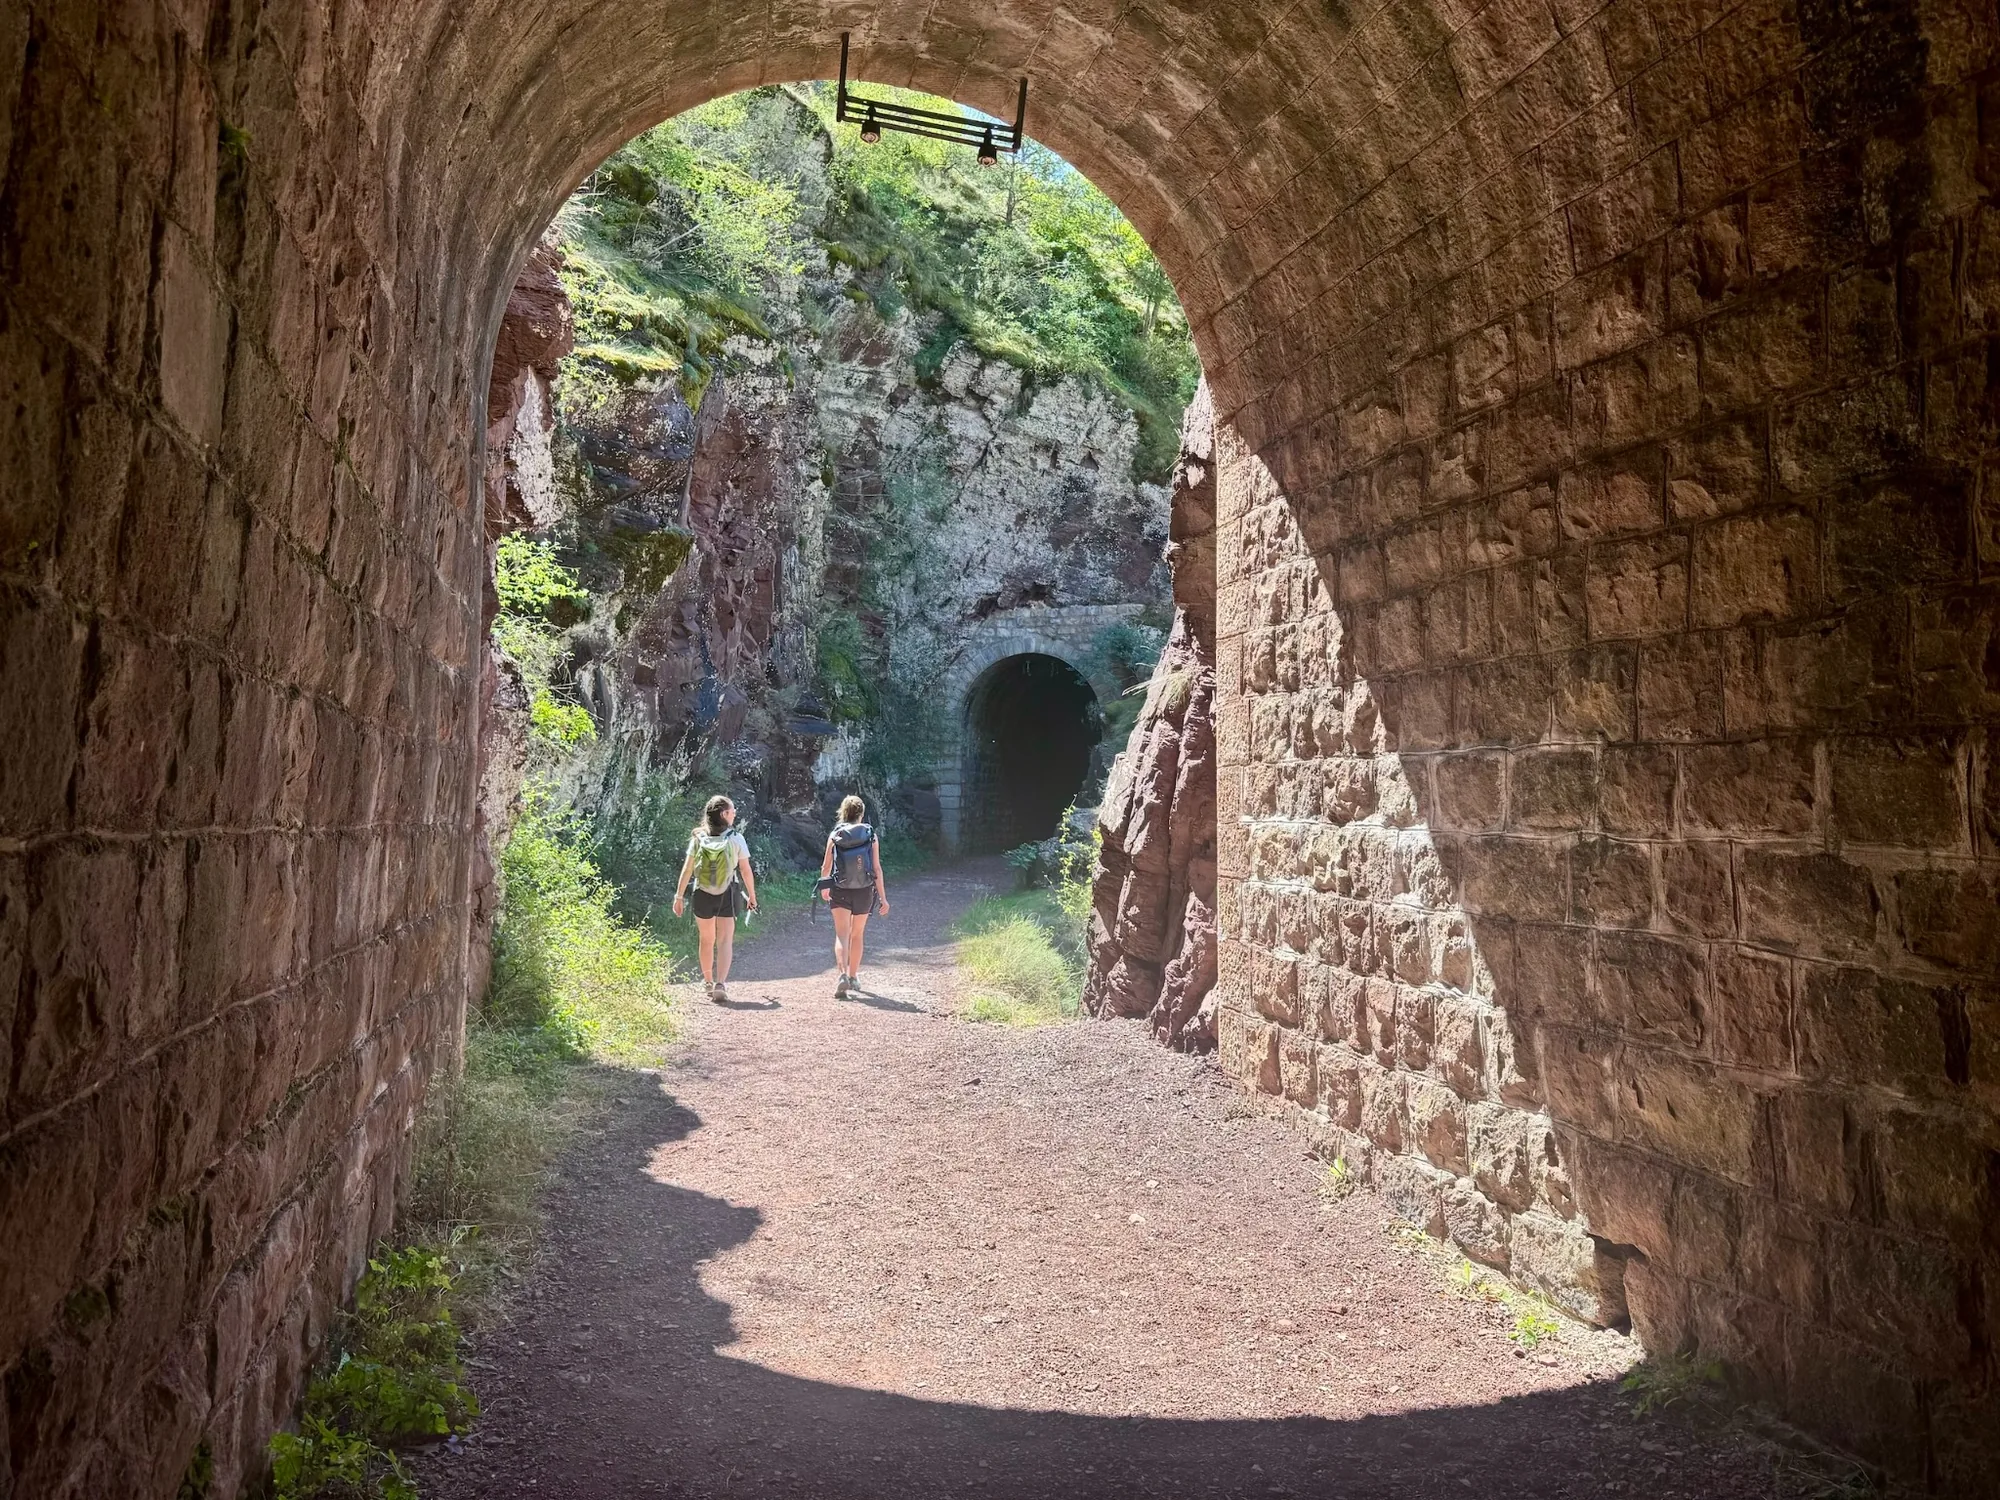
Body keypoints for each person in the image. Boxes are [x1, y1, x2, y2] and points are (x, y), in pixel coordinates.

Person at [672, 795, 757, 1003]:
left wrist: (679, 896)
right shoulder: (736, 838)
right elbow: (745, 870)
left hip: (701, 894)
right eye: (732, 810)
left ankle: (708, 982)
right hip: (727, 892)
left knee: (706, 939)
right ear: (723, 814)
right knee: (725, 939)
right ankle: (721, 984)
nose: (735, 813)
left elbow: (688, 869)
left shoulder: (698, 838)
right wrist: (752, 895)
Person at [819, 794, 889, 998]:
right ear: (861, 813)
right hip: (865, 891)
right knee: (857, 934)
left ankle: (841, 975)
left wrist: (824, 886)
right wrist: (883, 898)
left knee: (842, 934)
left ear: (843, 812)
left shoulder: (835, 834)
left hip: (840, 889)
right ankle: (853, 976)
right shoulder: (870, 834)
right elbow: (876, 868)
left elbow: (826, 865)